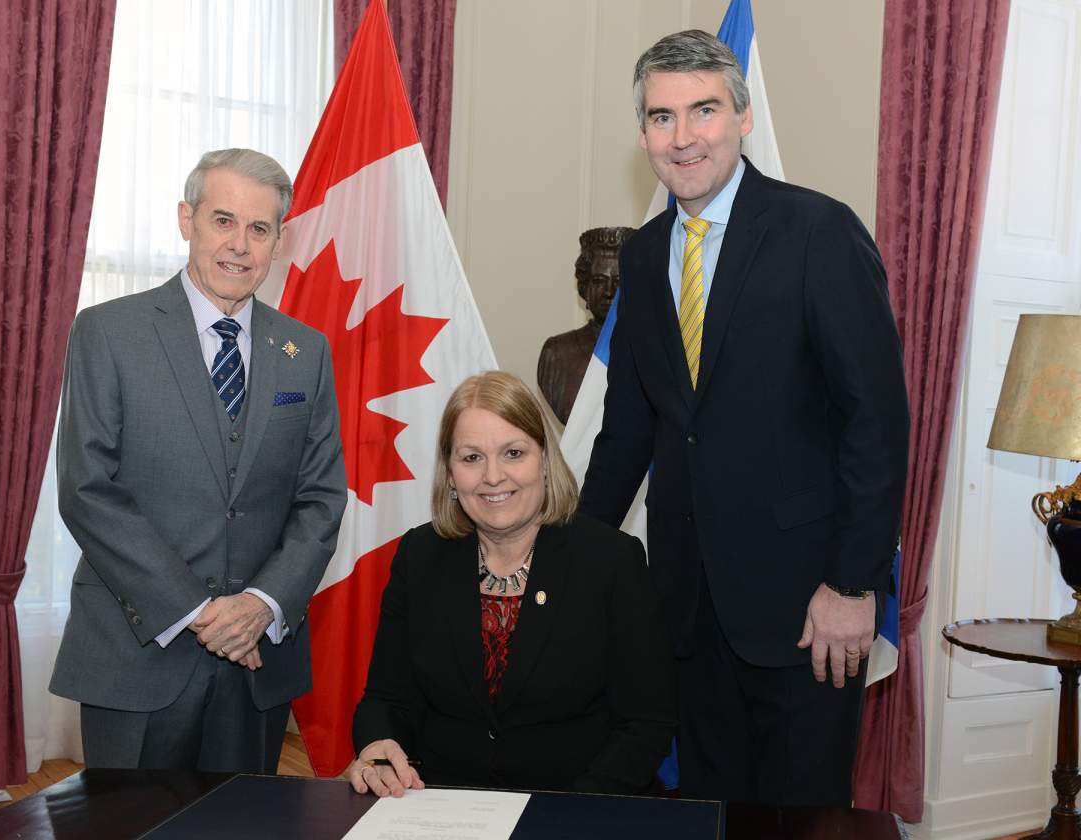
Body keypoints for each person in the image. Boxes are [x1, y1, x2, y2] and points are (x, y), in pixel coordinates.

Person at [579, 31, 909, 807]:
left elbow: (876, 422)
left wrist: (853, 585)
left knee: (799, 820)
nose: (683, 136)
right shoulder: (644, 252)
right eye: (662, 117)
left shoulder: (818, 234)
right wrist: (575, 561)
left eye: (703, 110)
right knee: (707, 812)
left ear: (743, 116)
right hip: (686, 607)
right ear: (643, 134)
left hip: (807, 610)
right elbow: (629, 429)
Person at [50, 148, 347, 774]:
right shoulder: (108, 332)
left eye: (259, 229)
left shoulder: (306, 353)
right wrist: (199, 611)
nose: (239, 245)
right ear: (187, 219)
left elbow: (321, 498)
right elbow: (88, 489)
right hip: (137, 657)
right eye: (222, 220)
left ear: (278, 241)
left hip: (257, 661)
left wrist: (262, 603)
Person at [348, 371, 675, 797]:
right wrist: (377, 747)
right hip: (445, 806)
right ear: (449, 474)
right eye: (471, 458)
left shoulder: (611, 561)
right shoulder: (419, 555)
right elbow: (386, 699)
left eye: (513, 453)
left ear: (544, 460)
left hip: (576, 807)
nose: (493, 476)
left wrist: (572, 811)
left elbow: (647, 723)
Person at [537, 226, 634, 424]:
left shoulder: (654, 351)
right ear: (585, 287)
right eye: (599, 280)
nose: (609, 291)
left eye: (619, 281)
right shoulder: (556, 354)